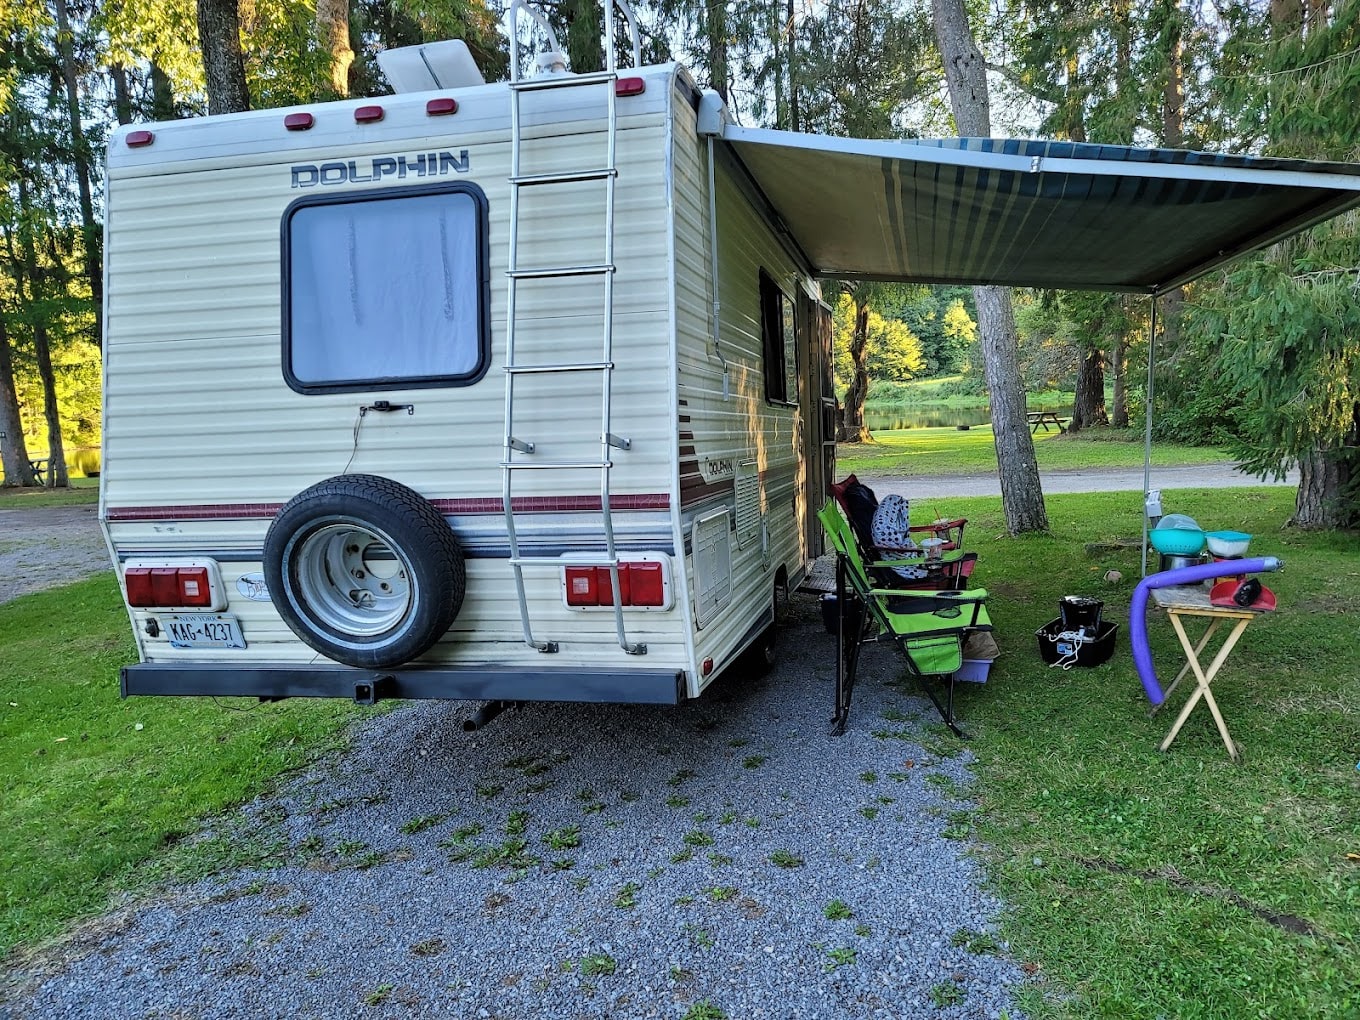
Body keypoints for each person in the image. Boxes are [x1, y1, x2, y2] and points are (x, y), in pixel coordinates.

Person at [871, 494, 927, 582]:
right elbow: (900, 549)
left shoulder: (886, 525)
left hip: (907, 554)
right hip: (901, 564)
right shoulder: (884, 532)